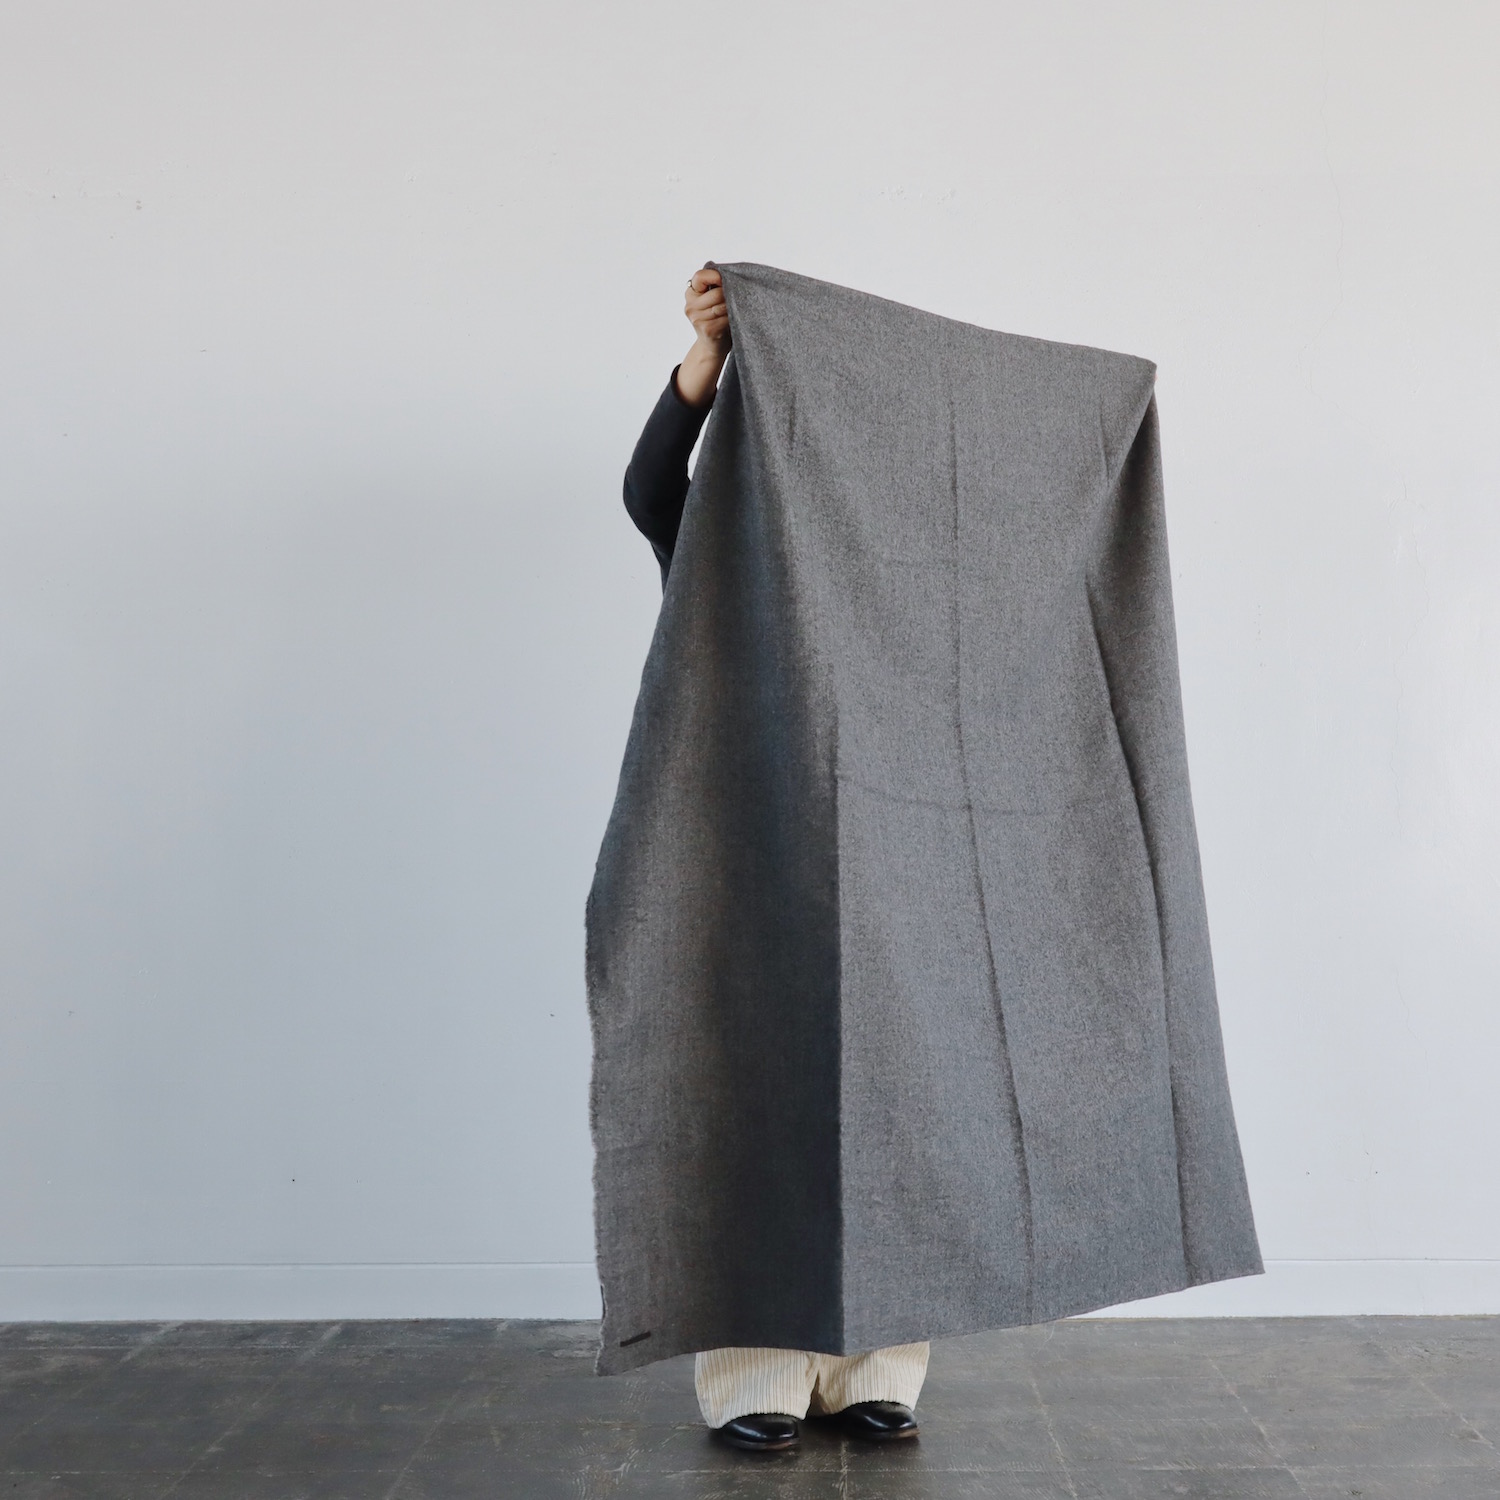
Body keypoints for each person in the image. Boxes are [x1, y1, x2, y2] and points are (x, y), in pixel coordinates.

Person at [619, 266, 927, 1453]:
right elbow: (650, 489)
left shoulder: (903, 557)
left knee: (897, 1103)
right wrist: (706, 363)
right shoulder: (726, 541)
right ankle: (756, 1376)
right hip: (746, 851)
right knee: (753, 1099)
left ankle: (873, 1369)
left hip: (891, 860)